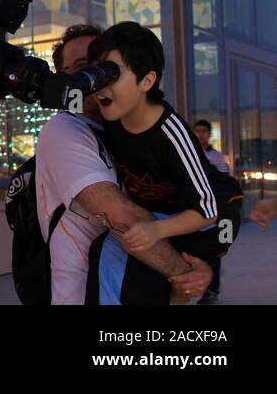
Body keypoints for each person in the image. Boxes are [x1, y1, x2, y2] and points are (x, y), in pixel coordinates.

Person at [33, 24, 212, 305]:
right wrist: (188, 274)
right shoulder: (64, 130)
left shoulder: (125, 130)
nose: (95, 79)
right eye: (82, 68)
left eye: (105, 69)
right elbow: (123, 218)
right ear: (63, 78)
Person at [84, 23, 239, 304]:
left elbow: (208, 210)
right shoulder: (112, 118)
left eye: (112, 73)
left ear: (146, 81)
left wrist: (155, 230)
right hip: (153, 213)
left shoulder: (172, 134)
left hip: (194, 219)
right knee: (107, 251)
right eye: (98, 73)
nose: (100, 85)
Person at [192, 119, 227, 303]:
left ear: (209, 134)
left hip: (213, 213)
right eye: (196, 131)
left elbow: (224, 183)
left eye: (203, 131)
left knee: (213, 253)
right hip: (192, 212)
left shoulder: (217, 157)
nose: (200, 134)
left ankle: (211, 291)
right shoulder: (188, 155)